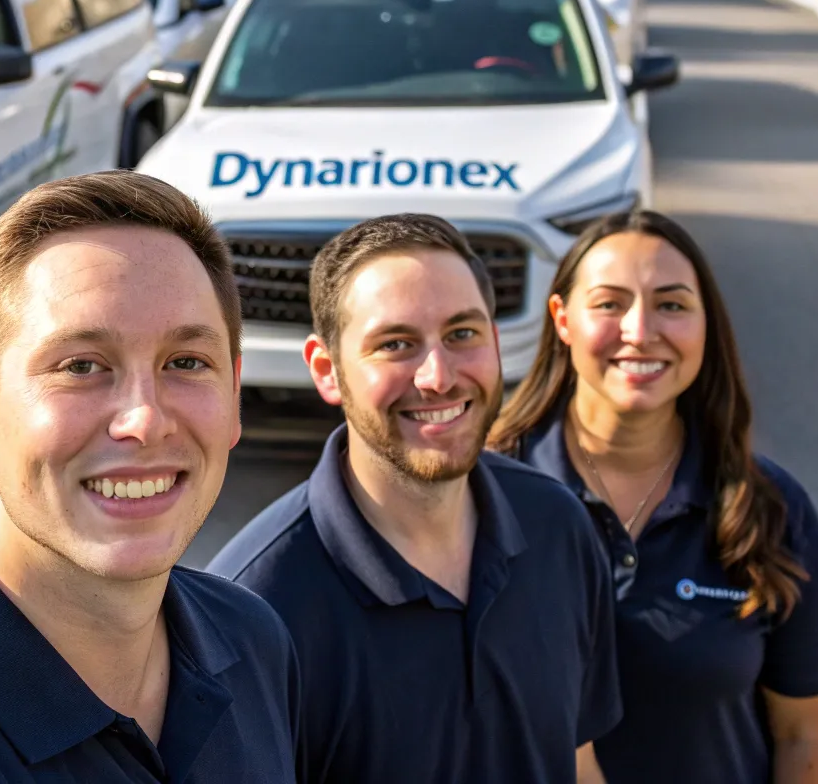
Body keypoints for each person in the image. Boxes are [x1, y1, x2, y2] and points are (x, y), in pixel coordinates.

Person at [0, 171, 299, 783]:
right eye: (80, 366)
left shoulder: (253, 638)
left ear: (234, 396)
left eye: (187, 362)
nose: (145, 420)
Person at [207, 213, 621, 784]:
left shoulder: (560, 526)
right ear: (327, 371)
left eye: (462, 334)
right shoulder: (253, 608)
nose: (438, 376)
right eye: (395, 344)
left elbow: (578, 759)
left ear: (495, 342)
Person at [487, 209, 818, 784]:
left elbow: (803, 735)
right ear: (562, 319)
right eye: (609, 303)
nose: (639, 330)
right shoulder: (487, 492)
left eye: (672, 305)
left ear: (706, 325)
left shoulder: (770, 507)